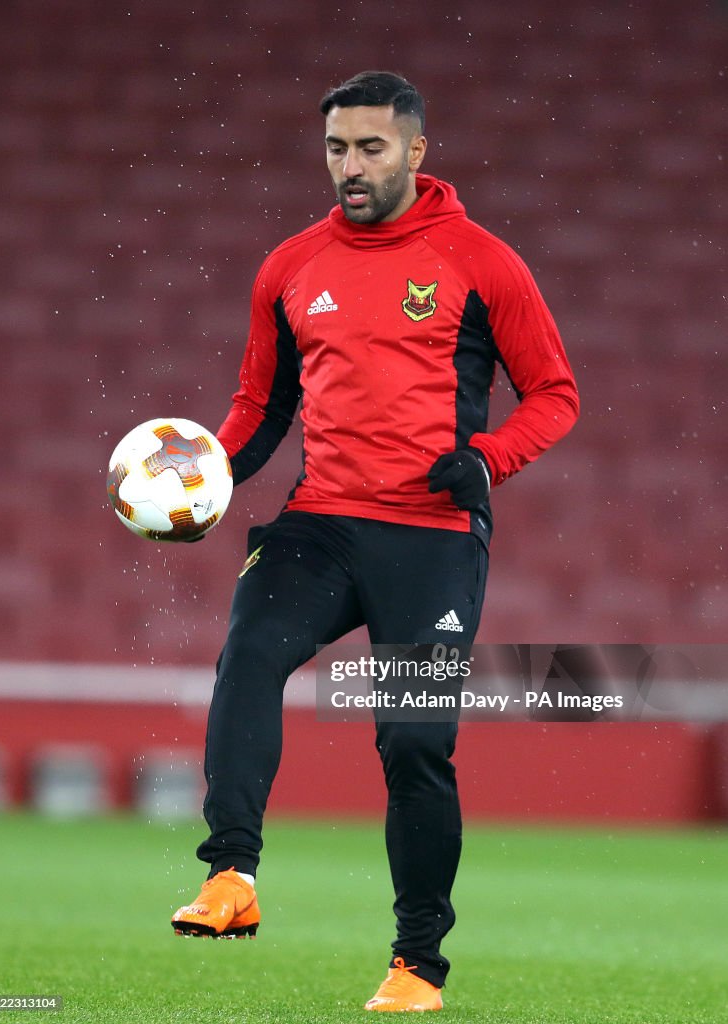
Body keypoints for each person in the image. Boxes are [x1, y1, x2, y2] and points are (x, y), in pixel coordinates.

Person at [171, 70, 579, 1012]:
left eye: (371, 148)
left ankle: (416, 966)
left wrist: (490, 458)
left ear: (416, 150)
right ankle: (231, 878)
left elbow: (556, 395)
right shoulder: (289, 267)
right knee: (247, 658)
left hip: (432, 538)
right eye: (335, 149)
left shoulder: (483, 262)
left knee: (411, 742)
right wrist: (207, 479)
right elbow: (260, 408)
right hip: (320, 525)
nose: (350, 167)